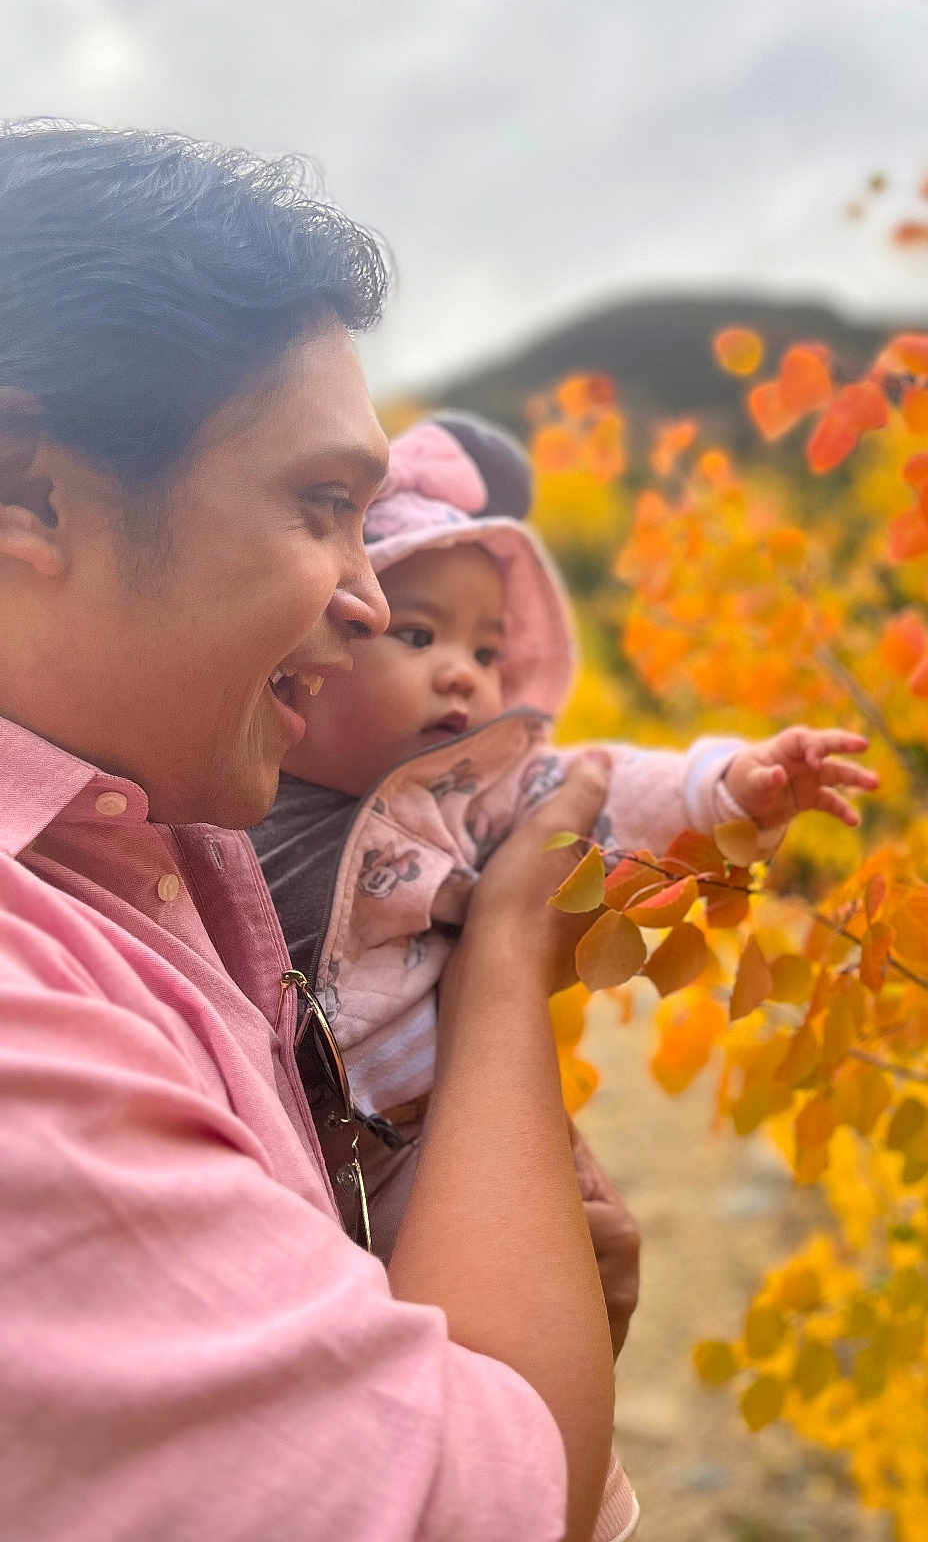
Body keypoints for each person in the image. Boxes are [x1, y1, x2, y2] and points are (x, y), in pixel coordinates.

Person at [0, 122, 619, 1541]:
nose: (365, 592)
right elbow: (504, 1491)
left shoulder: (150, 856)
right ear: (31, 489)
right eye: (325, 507)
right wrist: (505, 951)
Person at [251, 411, 878, 1253]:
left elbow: (606, 781)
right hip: (282, 1154)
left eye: (487, 653)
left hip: (437, 1127)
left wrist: (728, 783)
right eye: (419, 635)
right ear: (318, 642)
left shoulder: (476, 788)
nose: (461, 675)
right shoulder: (225, 796)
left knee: (514, 1269)